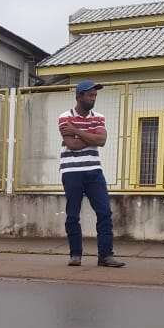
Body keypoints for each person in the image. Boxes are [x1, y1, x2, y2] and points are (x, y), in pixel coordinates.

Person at [58, 81, 125, 267]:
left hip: (94, 171)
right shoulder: (65, 117)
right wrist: (91, 137)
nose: (93, 99)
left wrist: (76, 131)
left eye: (95, 95)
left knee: (105, 212)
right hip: (71, 171)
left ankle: (106, 256)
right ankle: (75, 255)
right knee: (73, 215)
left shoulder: (99, 117)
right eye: (90, 95)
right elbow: (72, 145)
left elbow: (101, 141)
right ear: (79, 96)